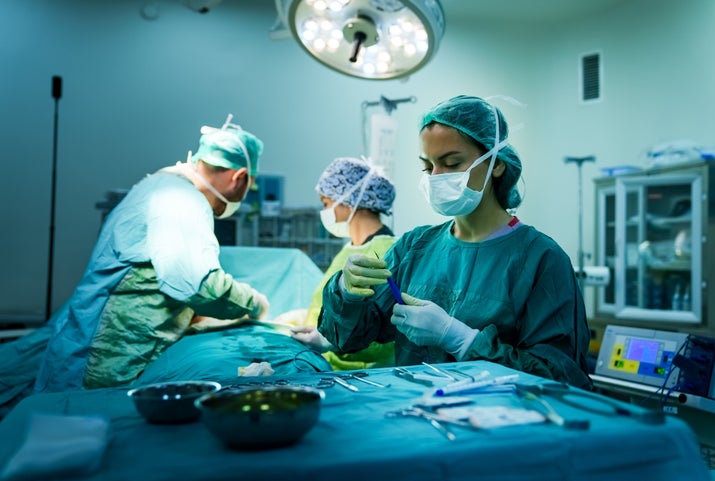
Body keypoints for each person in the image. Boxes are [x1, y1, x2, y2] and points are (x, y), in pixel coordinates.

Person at [318, 95, 592, 389]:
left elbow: (561, 378)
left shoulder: (541, 259)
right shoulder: (415, 248)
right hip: (415, 416)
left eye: (451, 163)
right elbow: (349, 338)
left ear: (496, 164)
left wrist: (461, 340)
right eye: (428, 166)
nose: (436, 176)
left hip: (502, 428)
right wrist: (346, 292)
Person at [35, 115, 271, 392]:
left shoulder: (158, 185)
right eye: (249, 186)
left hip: (82, 344)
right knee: (90, 427)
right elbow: (199, 286)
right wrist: (253, 303)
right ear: (239, 177)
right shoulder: (181, 200)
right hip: (106, 358)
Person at [287, 157, 397, 370]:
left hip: (364, 375)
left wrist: (329, 341)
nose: (324, 212)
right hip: (328, 366)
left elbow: (387, 335)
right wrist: (303, 319)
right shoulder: (350, 249)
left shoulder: (386, 250)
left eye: (326, 203)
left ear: (347, 200)